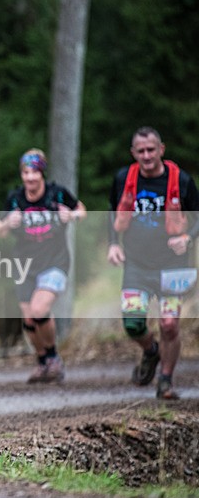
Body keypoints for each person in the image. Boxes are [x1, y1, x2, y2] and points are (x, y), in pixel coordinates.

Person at [107, 126, 198, 400]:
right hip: (136, 264)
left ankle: (166, 380)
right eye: (141, 151)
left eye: (151, 149)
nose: (146, 155)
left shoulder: (181, 180)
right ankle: (150, 350)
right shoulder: (124, 178)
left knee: (169, 325)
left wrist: (188, 238)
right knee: (133, 323)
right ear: (133, 153)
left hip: (174, 266)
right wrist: (113, 243)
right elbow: (112, 212)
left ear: (161, 149)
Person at [0, 148, 85, 383]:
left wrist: (71, 216)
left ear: (42, 173)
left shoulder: (57, 194)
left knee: (39, 310)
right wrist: (7, 223)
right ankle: (43, 361)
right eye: (26, 172)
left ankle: (54, 357)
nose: (30, 178)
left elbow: (81, 211)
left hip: (55, 261)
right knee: (28, 320)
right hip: (24, 265)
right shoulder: (15, 199)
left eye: (34, 172)